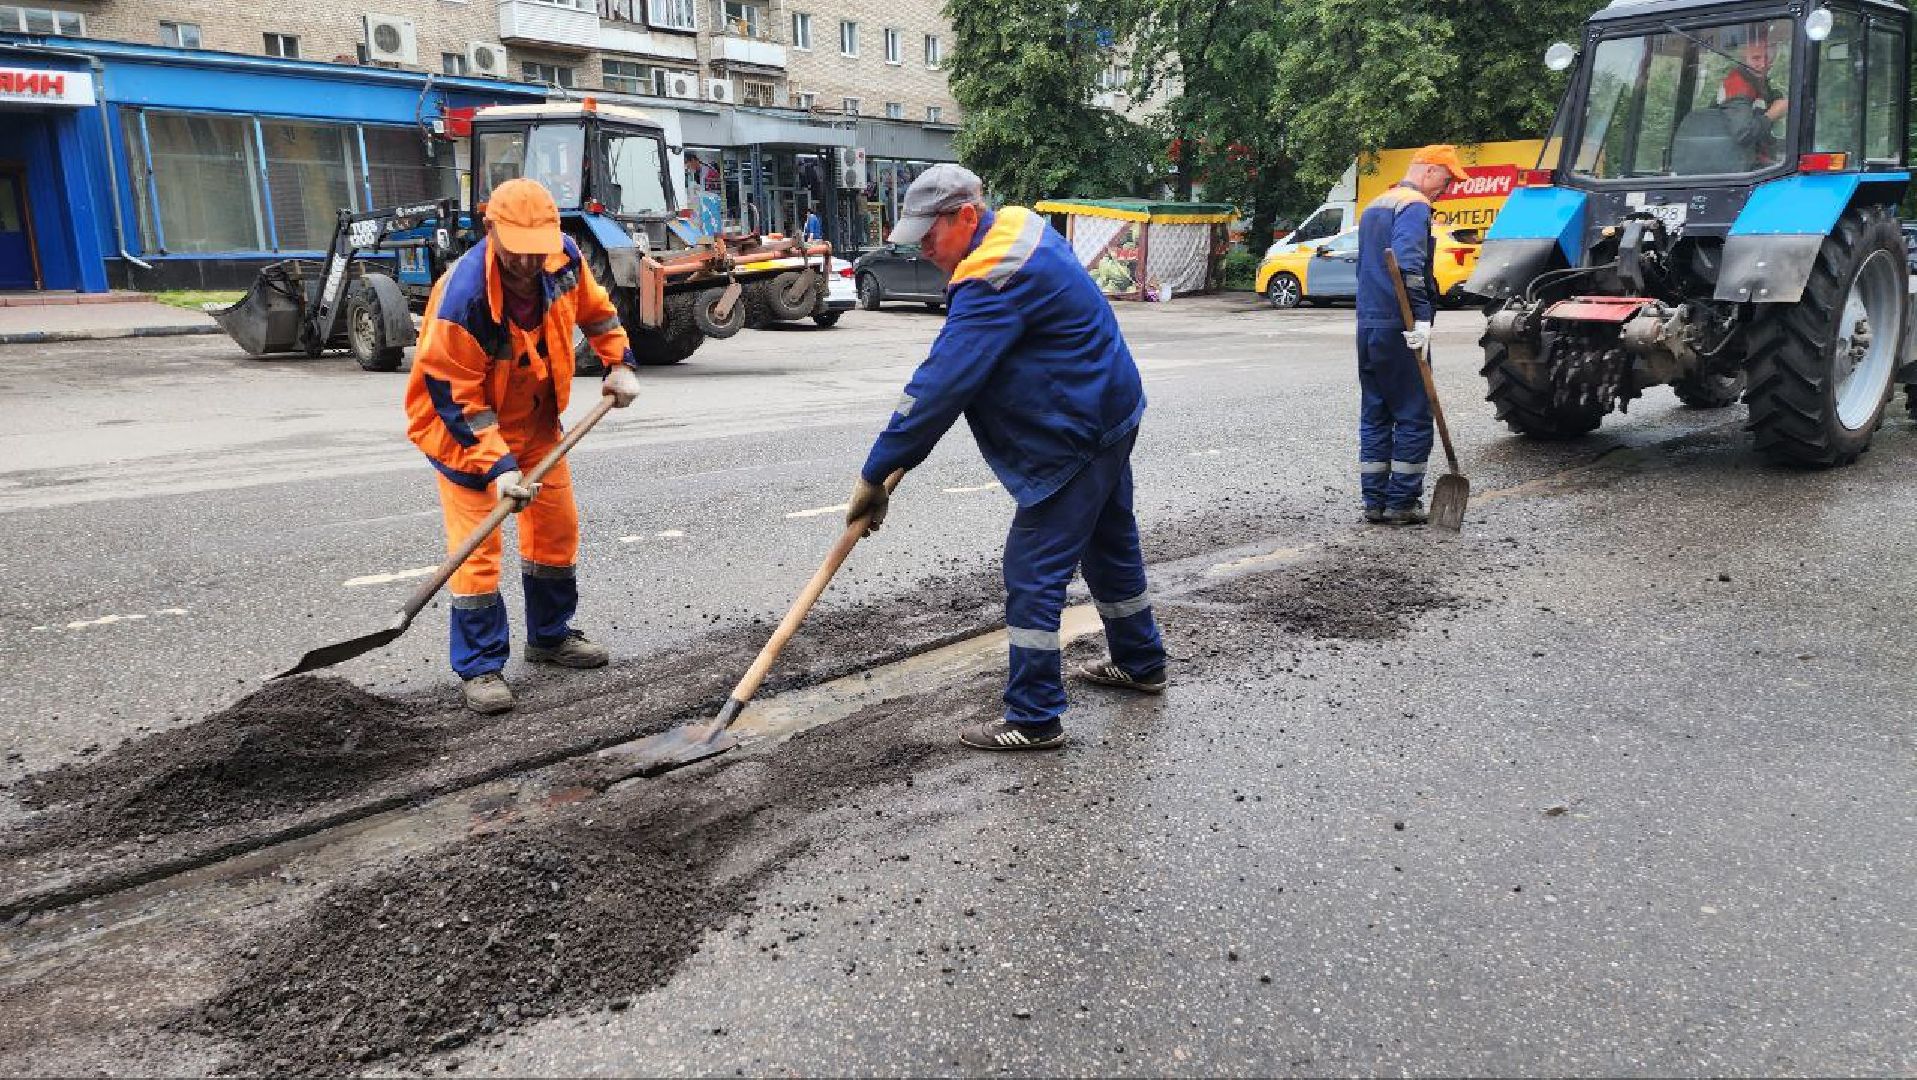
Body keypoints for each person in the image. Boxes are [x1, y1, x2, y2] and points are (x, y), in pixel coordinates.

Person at [845, 164, 1166, 752]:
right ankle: (1142, 662)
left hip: (1077, 430)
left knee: (1032, 571)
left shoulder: (993, 278)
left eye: (928, 236)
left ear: (965, 216)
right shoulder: (1019, 227)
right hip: (1111, 408)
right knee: (1109, 544)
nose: (922, 250)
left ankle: (1035, 716)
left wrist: (876, 473)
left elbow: (939, 386)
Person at [403, 178, 642, 715]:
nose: (531, 264)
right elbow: (455, 397)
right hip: (463, 435)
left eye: (540, 250)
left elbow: (597, 311)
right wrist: (497, 467)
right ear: (491, 232)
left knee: (555, 531)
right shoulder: (463, 300)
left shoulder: (564, 260)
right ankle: (481, 665)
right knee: (478, 553)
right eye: (519, 252)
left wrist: (619, 361)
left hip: (535, 423)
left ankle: (550, 637)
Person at [1353, 144, 1469, 526]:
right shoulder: (1414, 206)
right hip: (1399, 325)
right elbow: (1408, 263)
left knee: (1376, 412)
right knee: (1414, 414)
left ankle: (1374, 502)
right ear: (1430, 171)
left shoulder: (1377, 204)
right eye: (1447, 179)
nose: (1446, 188)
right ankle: (1402, 502)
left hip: (1369, 324)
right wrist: (1421, 318)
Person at [1718, 26, 1788, 166]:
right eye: (1756, 58)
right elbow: (1743, 134)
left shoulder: (1757, 82)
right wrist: (1772, 114)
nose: (1763, 64)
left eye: (1767, 57)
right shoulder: (1737, 86)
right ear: (1743, 60)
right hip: (1734, 164)